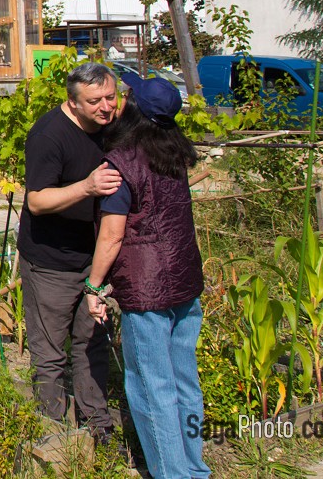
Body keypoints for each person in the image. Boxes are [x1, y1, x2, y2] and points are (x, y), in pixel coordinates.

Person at [84, 75, 209, 479]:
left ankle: (172, 474)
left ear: (134, 108)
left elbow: (112, 233)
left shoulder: (120, 161)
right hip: (185, 279)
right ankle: (194, 466)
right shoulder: (173, 151)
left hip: (148, 287)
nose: (118, 102)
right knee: (184, 381)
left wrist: (94, 285)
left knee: (152, 388)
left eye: (125, 97)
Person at [17, 61, 122, 442]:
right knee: (50, 356)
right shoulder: (49, 135)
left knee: (92, 344)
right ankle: (56, 437)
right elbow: (38, 202)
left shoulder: (111, 126)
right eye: (95, 101)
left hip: (95, 259)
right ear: (73, 102)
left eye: (111, 97)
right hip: (52, 261)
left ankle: (98, 428)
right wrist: (87, 187)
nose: (106, 107)